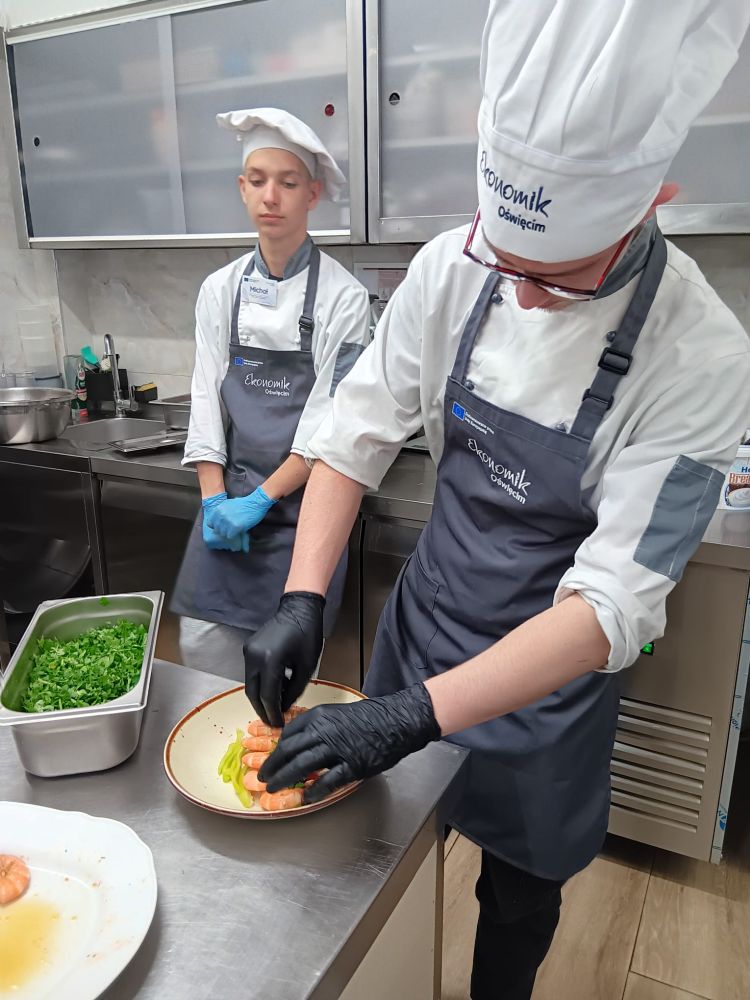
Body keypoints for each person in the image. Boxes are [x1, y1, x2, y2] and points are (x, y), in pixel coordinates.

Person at [245, 3, 750, 997]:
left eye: (555, 278)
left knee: (519, 893)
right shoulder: (453, 267)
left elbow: (612, 606)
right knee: (379, 846)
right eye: (503, 259)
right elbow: (355, 430)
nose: (518, 293)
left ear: (654, 199)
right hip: (426, 625)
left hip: (547, 678)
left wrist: (413, 717)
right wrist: (304, 594)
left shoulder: (700, 353)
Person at [172, 108, 370, 679]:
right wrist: (216, 501)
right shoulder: (219, 289)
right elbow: (206, 399)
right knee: (201, 658)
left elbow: (329, 425)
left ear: (312, 194)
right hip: (226, 508)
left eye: (287, 182)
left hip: (304, 516)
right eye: (258, 180)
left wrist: (262, 501)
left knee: (283, 681)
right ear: (242, 187)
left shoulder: (344, 300)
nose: (271, 197)